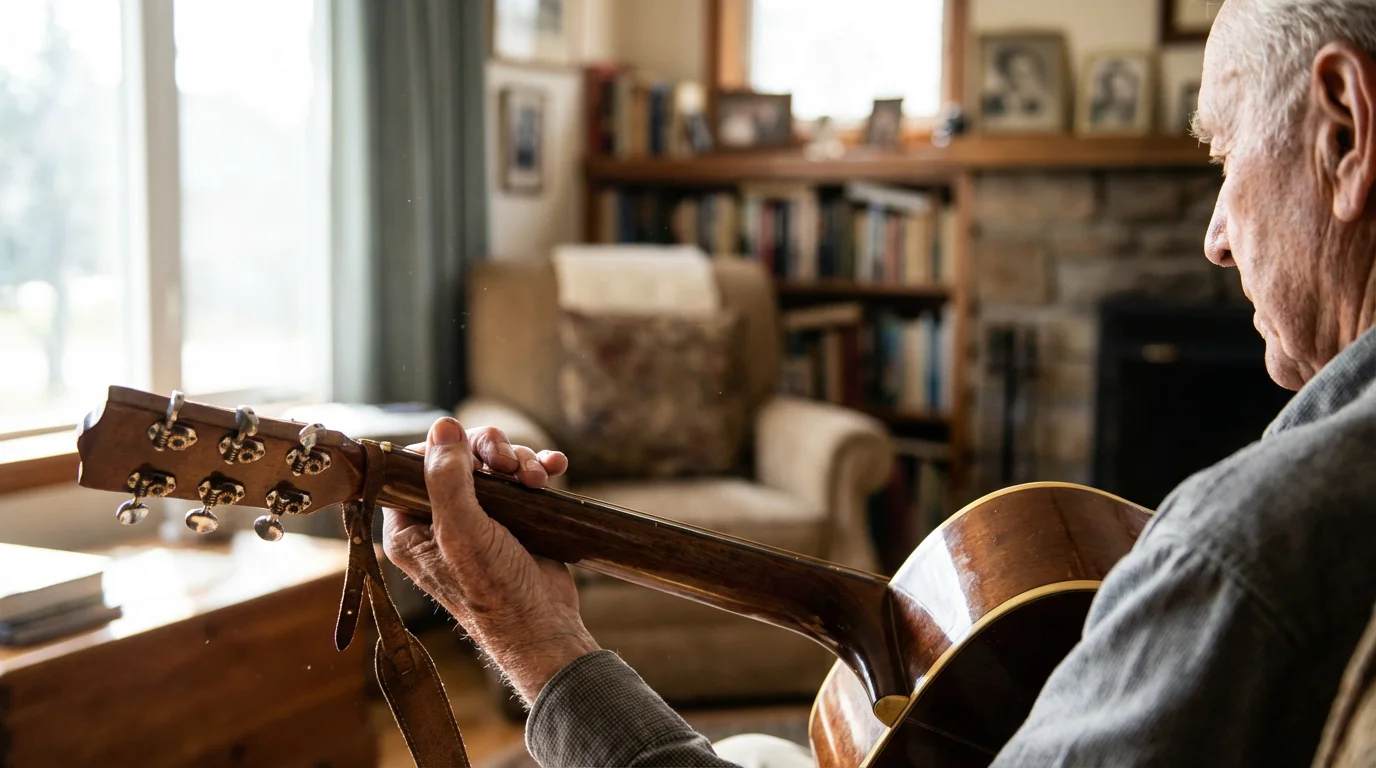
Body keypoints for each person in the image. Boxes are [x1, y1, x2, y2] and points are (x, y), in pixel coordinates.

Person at [383, 0, 1376, 764]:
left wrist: (535, 640)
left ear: (1341, 130)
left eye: (1218, 152)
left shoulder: (1241, 551)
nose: (1210, 236)